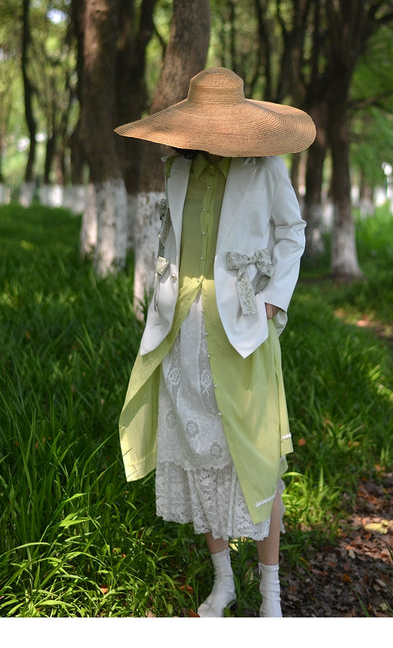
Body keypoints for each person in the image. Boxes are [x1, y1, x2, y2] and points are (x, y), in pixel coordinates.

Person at [115, 67, 315, 617]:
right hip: (182, 333)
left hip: (244, 331)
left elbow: (292, 232)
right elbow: (169, 244)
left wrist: (276, 297)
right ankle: (223, 583)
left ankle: (271, 597)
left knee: (256, 457)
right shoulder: (176, 171)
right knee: (200, 457)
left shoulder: (264, 169)